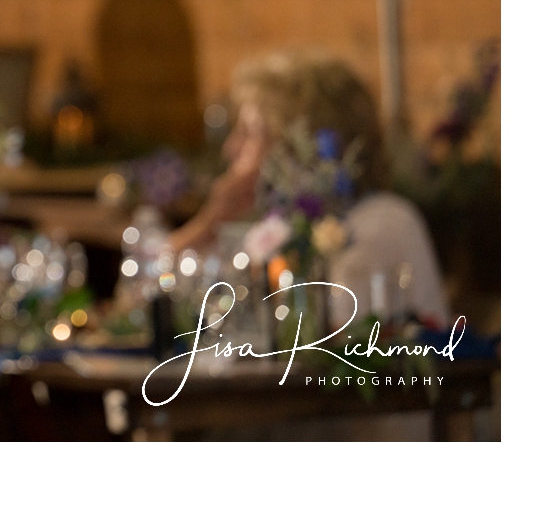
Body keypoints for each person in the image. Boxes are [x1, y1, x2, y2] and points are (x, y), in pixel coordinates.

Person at [170, 49, 449, 327]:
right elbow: (149, 300)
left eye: (251, 132)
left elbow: (328, 340)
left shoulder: (382, 223)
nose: (230, 148)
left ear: (298, 145)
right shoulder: (275, 228)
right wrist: (206, 226)